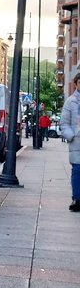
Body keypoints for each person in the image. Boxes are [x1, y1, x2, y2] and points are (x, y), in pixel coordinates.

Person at [60, 73, 80, 211]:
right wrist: (71, 136)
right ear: (76, 84)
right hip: (77, 142)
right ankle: (77, 199)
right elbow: (64, 123)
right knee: (77, 170)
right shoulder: (71, 101)